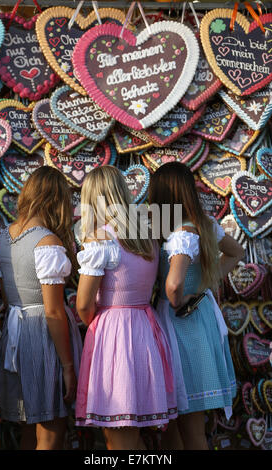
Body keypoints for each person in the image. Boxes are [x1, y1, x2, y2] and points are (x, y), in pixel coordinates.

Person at [74, 165, 188, 451]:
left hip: (114, 333)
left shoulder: (100, 238)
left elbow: (84, 303)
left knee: (118, 431)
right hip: (145, 328)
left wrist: (97, 324)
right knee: (126, 431)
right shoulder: (147, 236)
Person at [148, 162, 244, 450]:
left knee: (188, 420)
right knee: (180, 421)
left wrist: (182, 297)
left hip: (182, 324)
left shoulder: (182, 232)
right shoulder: (202, 223)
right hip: (197, 319)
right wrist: (204, 284)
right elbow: (236, 252)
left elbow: (174, 286)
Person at [0, 166, 82, 450]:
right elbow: (53, 311)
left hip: (15, 333)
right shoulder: (47, 243)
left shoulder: (4, 238)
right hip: (42, 337)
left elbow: (8, 299)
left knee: (30, 427)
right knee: (51, 431)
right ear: (57, 200)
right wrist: (68, 367)